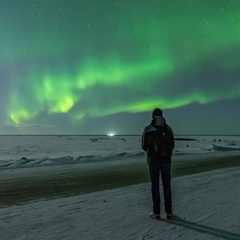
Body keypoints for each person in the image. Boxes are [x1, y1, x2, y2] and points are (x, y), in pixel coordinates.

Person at [141, 108, 174, 220]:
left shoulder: (148, 129)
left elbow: (143, 145)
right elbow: (172, 145)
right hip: (166, 160)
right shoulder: (168, 128)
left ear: (153, 116)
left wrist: (151, 152)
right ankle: (169, 212)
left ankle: (157, 213)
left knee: (155, 186)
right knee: (167, 185)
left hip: (153, 160)